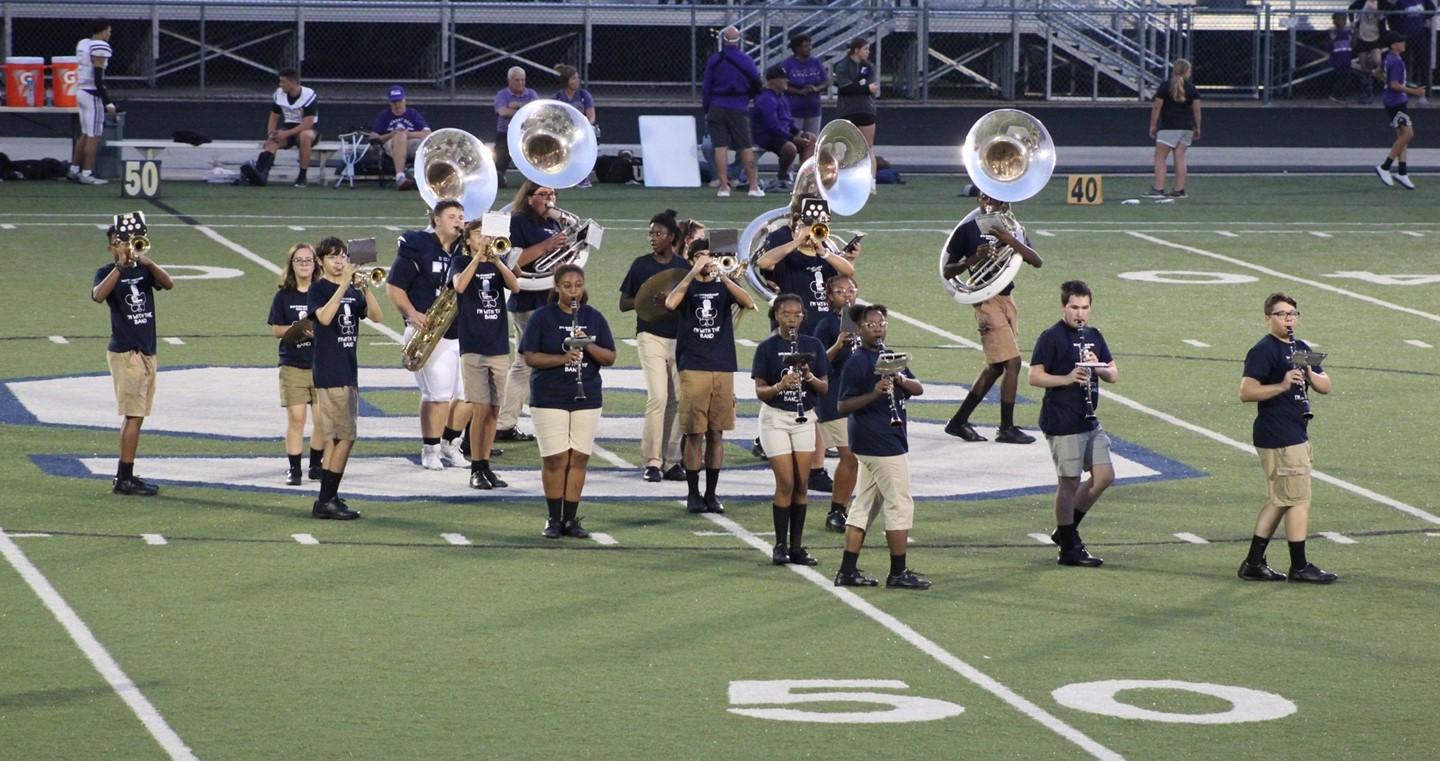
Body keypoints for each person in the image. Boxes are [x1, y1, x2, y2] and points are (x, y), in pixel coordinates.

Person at [1237, 293, 1337, 584]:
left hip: (1297, 431)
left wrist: (1308, 373)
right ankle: (1300, 566)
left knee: (1280, 499)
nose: (1288, 319)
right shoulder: (1263, 350)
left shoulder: (1300, 348)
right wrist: (1282, 384)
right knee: (1298, 500)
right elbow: (1246, 392)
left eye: (1292, 314)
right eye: (1281, 314)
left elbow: (1326, 385)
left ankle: (1253, 563)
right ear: (1268, 317)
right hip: (1279, 433)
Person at [834, 304, 930, 590]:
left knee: (863, 506)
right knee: (900, 505)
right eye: (871, 324)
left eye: (882, 323)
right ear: (859, 328)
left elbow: (918, 388)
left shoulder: (887, 356)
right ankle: (898, 573)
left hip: (880, 440)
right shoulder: (857, 361)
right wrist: (874, 393)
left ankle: (847, 571)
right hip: (879, 442)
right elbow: (843, 405)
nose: (878, 328)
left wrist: (899, 379)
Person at [520, 264, 616, 539]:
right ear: (557, 288)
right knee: (556, 458)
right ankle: (553, 518)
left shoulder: (593, 317)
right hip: (549, 395)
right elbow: (530, 357)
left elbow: (610, 357)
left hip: (587, 394)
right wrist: (563, 358)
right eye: (567, 286)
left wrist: (587, 345)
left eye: (578, 285)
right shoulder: (542, 317)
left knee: (579, 457)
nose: (573, 291)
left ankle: (571, 520)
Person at [941, 192, 1044, 446]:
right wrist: (975, 258)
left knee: (997, 365)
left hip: (1007, 298)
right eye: (987, 198)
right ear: (978, 201)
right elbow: (947, 270)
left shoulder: (1013, 229)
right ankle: (1006, 428)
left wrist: (1009, 239)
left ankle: (958, 421)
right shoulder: (966, 230)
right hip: (984, 299)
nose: (992, 204)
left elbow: (1036, 260)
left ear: (1006, 203)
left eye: (998, 200)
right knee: (1013, 363)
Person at [1027, 280, 1117, 568]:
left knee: (1104, 476)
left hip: (1088, 419)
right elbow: (1035, 376)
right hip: (1062, 420)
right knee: (1069, 482)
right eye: (1074, 307)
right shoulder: (1051, 337)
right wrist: (1066, 378)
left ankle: (1065, 531)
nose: (1080, 314)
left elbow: (1113, 374)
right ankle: (1068, 547)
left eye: (1085, 308)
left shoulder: (1094, 336)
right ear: (1064, 307)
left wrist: (1097, 365)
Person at [665, 243, 757, 514]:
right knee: (695, 433)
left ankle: (711, 493)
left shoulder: (722, 285)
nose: (709, 260)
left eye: (712, 256)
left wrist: (724, 277)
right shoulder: (687, 284)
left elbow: (748, 303)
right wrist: (693, 271)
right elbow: (671, 303)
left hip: (723, 365)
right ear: (691, 259)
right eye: (701, 256)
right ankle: (693, 494)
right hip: (693, 365)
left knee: (717, 433)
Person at [91, 223, 174, 495]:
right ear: (111, 247)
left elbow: (168, 283)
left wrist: (147, 262)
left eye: (128, 241)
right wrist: (120, 267)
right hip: (127, 353)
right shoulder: (106, 272)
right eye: (118, 242)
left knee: (138, 416)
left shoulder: (143, 270)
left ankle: (126, 475)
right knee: (133, 415)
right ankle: (123, 478)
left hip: (147, 351)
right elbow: (98, 296)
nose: (125, 246)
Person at [386, 200, 469, 471]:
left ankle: (451, 443)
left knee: (467, 395)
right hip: (429, 330)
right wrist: (411, 313)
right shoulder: (418, 244)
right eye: (452, 216)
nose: (458, 221)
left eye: (461, 216)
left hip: (463, 330)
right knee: (438, 395)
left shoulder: (465, 248)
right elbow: (395, 287)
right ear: (436, 220)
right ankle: (430, 449)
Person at [308, 237, 384, 519]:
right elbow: (325, 318)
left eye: (342, 256)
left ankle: (330, 496)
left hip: (348, 371)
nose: (339, 262)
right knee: (344, 437)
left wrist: (365, 289)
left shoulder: (353, 289)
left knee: (339, 438)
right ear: (320, 262)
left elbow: (377, 317)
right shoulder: (318, 288)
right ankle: (325, 500)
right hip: (331, 371)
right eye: (332, 257)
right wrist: (343, 285)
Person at [752, 294, 831, 566]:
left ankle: (796, 546)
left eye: (797, 314)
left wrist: (808, 376)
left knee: (802, 483)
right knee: (785, 482)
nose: (792, 319)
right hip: (775, 417)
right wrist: (780, 386)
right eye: (786, 314)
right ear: (777, 316)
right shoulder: (767, 347)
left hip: (804, 418)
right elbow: (760, 391)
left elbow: (824, 388)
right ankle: (780, 545)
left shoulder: (813, 345)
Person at [619, 209, 691, 483]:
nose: (653, 238)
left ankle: (672, 460)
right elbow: (624, 303)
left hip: (679, 336)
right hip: (650, 334)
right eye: (651, 233)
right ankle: (651, 460)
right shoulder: (641, 265)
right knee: (658, 397)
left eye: (658, 233)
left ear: (672, 237)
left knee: (678, 400)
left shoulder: (684, 267)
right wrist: (648, 298)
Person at [450, 219, 521, 491]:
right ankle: (476, 467)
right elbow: (458, 286)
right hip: (473, 348)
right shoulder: (460, 263)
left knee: (493, 410)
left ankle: (486, 465)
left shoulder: (496, 264)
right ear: (468, 240)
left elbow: (515, 287)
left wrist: (498, 260)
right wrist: (478, 258)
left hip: (498, 347)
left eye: (487, 234)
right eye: (478, 234)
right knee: (480, 410)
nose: (484, 238)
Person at [495, 180, 567, 443]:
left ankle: (505, 422)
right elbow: (512, 261)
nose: (550, 199)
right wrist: (548, 245)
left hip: (548, 298)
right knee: (529, 363)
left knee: (526, 364)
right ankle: (505, 422)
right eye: (543, 194)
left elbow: (552, 261)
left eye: (553, 193)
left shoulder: (553, 222)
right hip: (527, 299)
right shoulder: (518, 222)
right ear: (528, 197)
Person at [267, 243, 326, 486]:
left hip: (321, 363)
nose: (304, 264)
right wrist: (300, 330)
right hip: (293, 364)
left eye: (308, 260)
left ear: (316, 263)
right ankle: (294, 469)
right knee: (297, 418)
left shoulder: (323, 292)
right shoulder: (284, 295)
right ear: (291, 265)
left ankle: (315, 464)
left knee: (323, 420)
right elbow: (277, 330)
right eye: (298, 260)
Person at [812, 275, 862, 533]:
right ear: (829, 297)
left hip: (862, 398)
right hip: (835, 399)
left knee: (860, 459)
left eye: (851, 290)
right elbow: (818, 364)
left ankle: (849, 508)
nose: (847, 295)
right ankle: (836, 511)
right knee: (849, 457)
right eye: (840, 291)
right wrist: (837, 344)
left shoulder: (864, 322)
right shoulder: (826, 324)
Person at [701, 25, 765, 198]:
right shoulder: (746, 60)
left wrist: (706, 107)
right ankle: (753, 187)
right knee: (746, 147)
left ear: (723, 41)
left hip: (716, 105)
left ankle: (723, 187)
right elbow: (756, 81)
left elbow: (707, 85)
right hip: (739, 106)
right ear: (739, 41)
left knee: (720, 147)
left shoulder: (715, 59)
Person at [241, 68, 319, 188]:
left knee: (305, 136)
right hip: (288, 128)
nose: (280, 85)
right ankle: (261, 172)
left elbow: (308, 124)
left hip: (307, 130)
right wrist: (271, 135)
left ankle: (302, 175)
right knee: (273, 140)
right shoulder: (279, 94)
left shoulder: (308, 95)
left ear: (293, 82)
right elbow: (274, 117)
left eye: (283, 82)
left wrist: (286, 134)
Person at [68, 18, 115, 186]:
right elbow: (97, 78)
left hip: (80, 90)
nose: (110, 33)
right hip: (92, 93)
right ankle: (87, 174)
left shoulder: (83, 43)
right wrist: (108, 102)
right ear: (102, 31)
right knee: (94, 136)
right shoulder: (100, 46)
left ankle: (74, 170)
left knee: (86, 133)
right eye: (109, 30)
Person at [752, 66, 816, 188]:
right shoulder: (766, 99)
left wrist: (798, 132)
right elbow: (772, 126)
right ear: (773, 81)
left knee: (811, 138)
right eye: (783, 78)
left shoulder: (781, 97)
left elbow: (789, 120)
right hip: (767, 136)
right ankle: (783, 175)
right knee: (790, 148)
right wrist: (793, 138)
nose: (787, 81)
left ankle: (803, 176)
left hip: (782, 134)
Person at [1145, 59, 1200, 199]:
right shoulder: (1192, 88)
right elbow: (1197, 111)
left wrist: (1153, 125)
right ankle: (1179, 189)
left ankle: (1158, 188)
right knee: (1180, 158)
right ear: (1187, 71)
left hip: (1169, 127)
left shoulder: (1165, 87)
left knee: (1160, 157)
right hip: (1186, 127)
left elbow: (1157, 107)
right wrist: (1197, 127)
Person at [1376, 31, 1425, 189]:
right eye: (1400, 41)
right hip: (1396, 103)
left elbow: (1379, 73)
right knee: (1408, 134)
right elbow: (1394, 85)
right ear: (1393, 45)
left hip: (1394, 102)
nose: (1404, 44)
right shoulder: (1396, 61)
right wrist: (1415, 92)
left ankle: (1402, 172)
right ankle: (1385, 167)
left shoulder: (1390, 59)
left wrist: (1381, 77)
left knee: (1402, 137)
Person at [833, 37, 879, 192]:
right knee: (845, 146)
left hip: (866, 109)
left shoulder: (869, 66)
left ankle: (871, 181)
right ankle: (844, 179)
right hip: (847, 110)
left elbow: (872, 87)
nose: (868, 52)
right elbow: (845, 89)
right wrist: (863, 88)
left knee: (868, 147)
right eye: (865, 49)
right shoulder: (843, 66)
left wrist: (862, 87)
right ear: (856, 50)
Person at [368, 85, 431, 191]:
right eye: (394, 102)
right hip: (391, 144)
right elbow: (373, 137)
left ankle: (428, 177)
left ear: (405, 100)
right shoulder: (384, 115)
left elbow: (427, 132)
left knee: (427, 144)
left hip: (411, 142)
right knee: (400, 136)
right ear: (389, 102)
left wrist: (409, 134)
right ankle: (400, 177)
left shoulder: (412, 113)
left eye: (399, 101)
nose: (397, 105)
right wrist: (391, 135)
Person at [493, 66, 538, 189]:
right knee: (501, 157)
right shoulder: (502, 94)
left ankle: (537, 180)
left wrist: (517, 105)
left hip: (526, 133)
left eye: (523, 80)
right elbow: (502, 112)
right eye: (517, 80)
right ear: (509, 80)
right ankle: (498, 177)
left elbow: (535, 111)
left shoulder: (531, 93)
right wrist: (525, 109)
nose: (521, 83)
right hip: (505, 133)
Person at [553, 64, 598, 188]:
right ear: (566, 81)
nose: (577, 81)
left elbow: (591, 117)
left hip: (580, 130)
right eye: (573, 78)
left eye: (577, 78)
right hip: (563, 130)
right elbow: (553, 117)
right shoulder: (557, 97)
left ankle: (582, 177)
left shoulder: (584, 95)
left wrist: (584, 127)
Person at [781, 33, 829, 136]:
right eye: (806, 46)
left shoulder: (815, 62)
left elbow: (826, 81)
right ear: (797, 48)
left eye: (810, 45)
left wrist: (816, 89)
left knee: (812, 140)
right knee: (795, 140)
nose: (809, 48)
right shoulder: (788, 64)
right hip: (794, 110)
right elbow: (783, 85)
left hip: (813, 109)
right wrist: (799, 91)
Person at [1351, 0, 1385, 104]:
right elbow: (1351, 8)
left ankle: (1385, 84)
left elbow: (1387, 15)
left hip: (1375, 37)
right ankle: (1366, 93)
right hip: (1362, 37)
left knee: (1376, 61)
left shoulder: (1381, 3)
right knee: (1363, 67)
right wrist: (1352, 21)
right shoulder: (1362, 2)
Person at [1327, 13, 1363, 103]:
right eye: (1339, 20)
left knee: (1347, 78)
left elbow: (1352, 45)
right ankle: (1336, 94)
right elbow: (1328, 46)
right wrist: (1332, 39)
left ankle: (1340, 95)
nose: (1342, 22)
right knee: (1340, 77)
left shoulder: (1348, 32)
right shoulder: (1332, 32)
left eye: (1344, 19)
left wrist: (1355, 35)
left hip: (1346, 58)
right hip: (1337, 58)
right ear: (1335, 21)